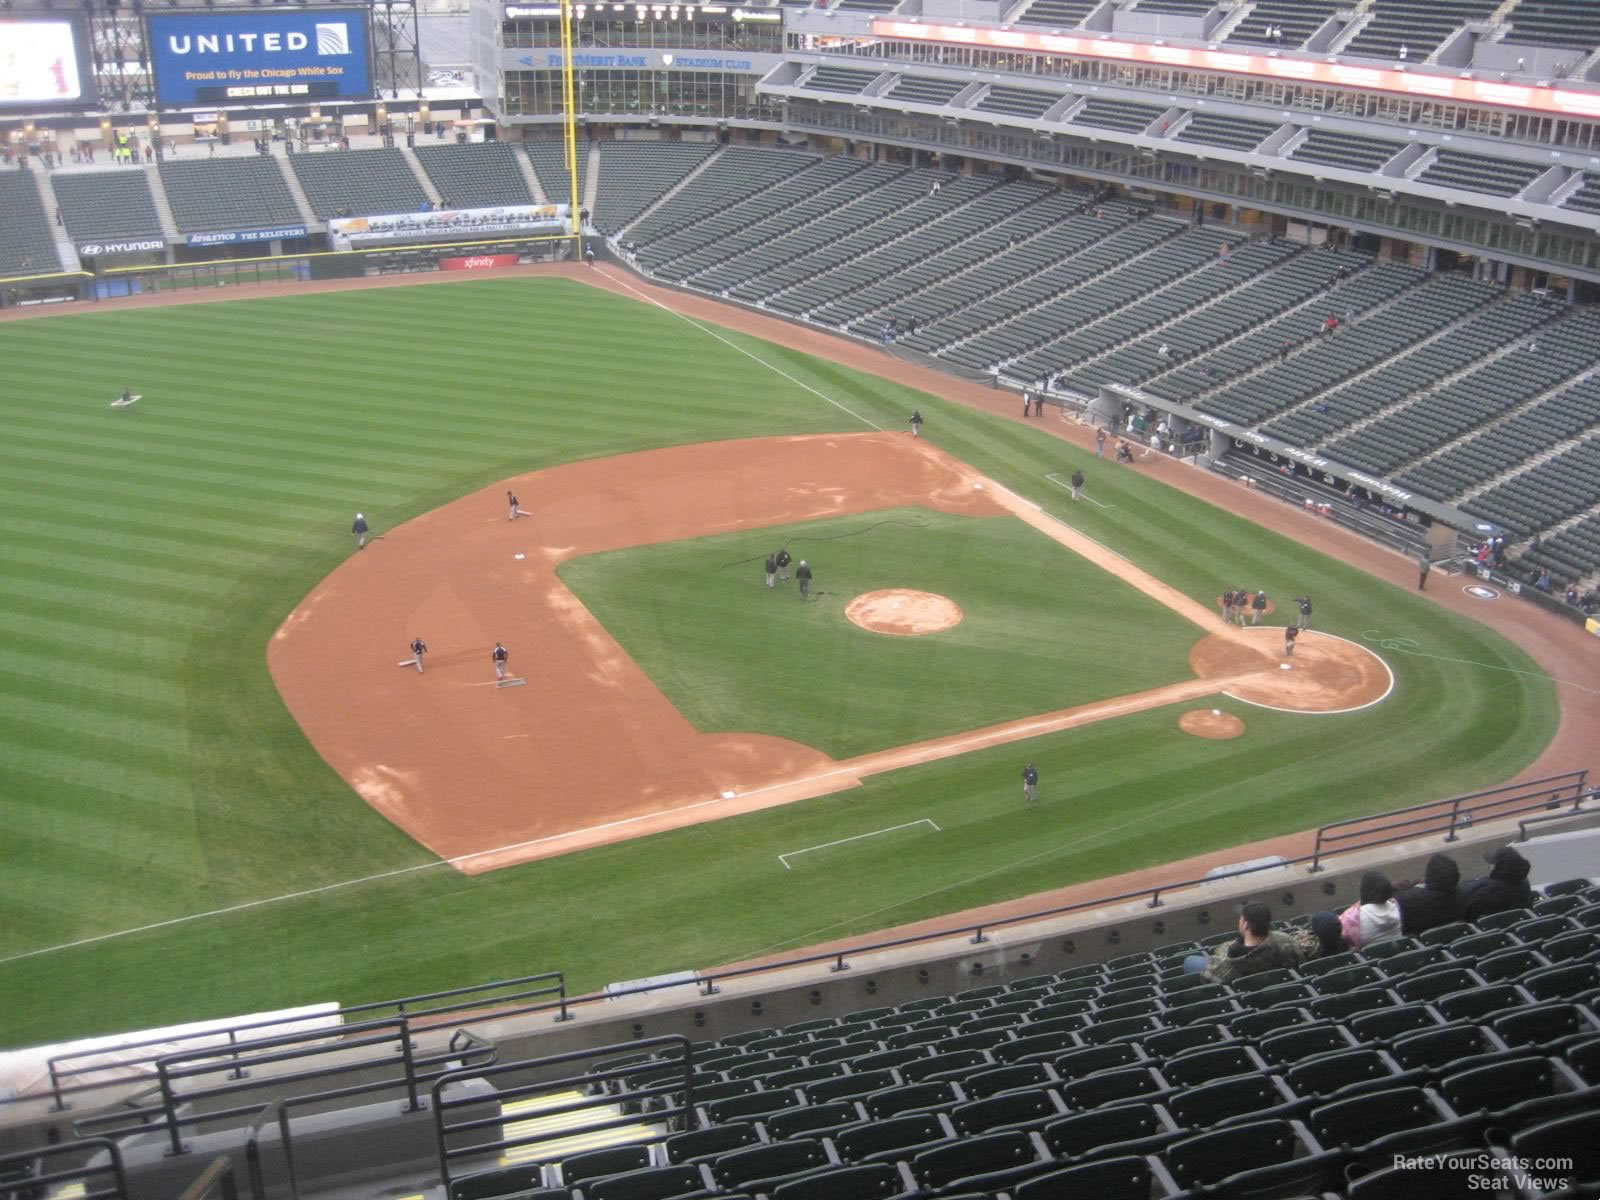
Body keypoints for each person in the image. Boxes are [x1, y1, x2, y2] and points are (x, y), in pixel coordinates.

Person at [1183, 901, 1305, 983]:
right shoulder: (1286, 941)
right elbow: (1300, 959)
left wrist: (1224, 948)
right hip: (1281, 984)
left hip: (1242, 988)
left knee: (1190, 961)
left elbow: (1211, 977)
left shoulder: (1229, 960)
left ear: (1246, 925)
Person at [1460, 845, 1534, 922]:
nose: (1490, 866)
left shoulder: (1486, 891)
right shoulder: (1524, 881)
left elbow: (1469, 915)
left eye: (1493, 864)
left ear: (1500, 866)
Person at [1396, 853, 1462, 936]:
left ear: (1427, 876)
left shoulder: (1407, 899)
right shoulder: (1464, 895)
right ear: (1457, 878)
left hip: (1418, 941)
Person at [1340, 871, 1402, 949]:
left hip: (1368, 958)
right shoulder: (1396, 906)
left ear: (1365, 889)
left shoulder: (1354, 916)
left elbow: (1337, 929)